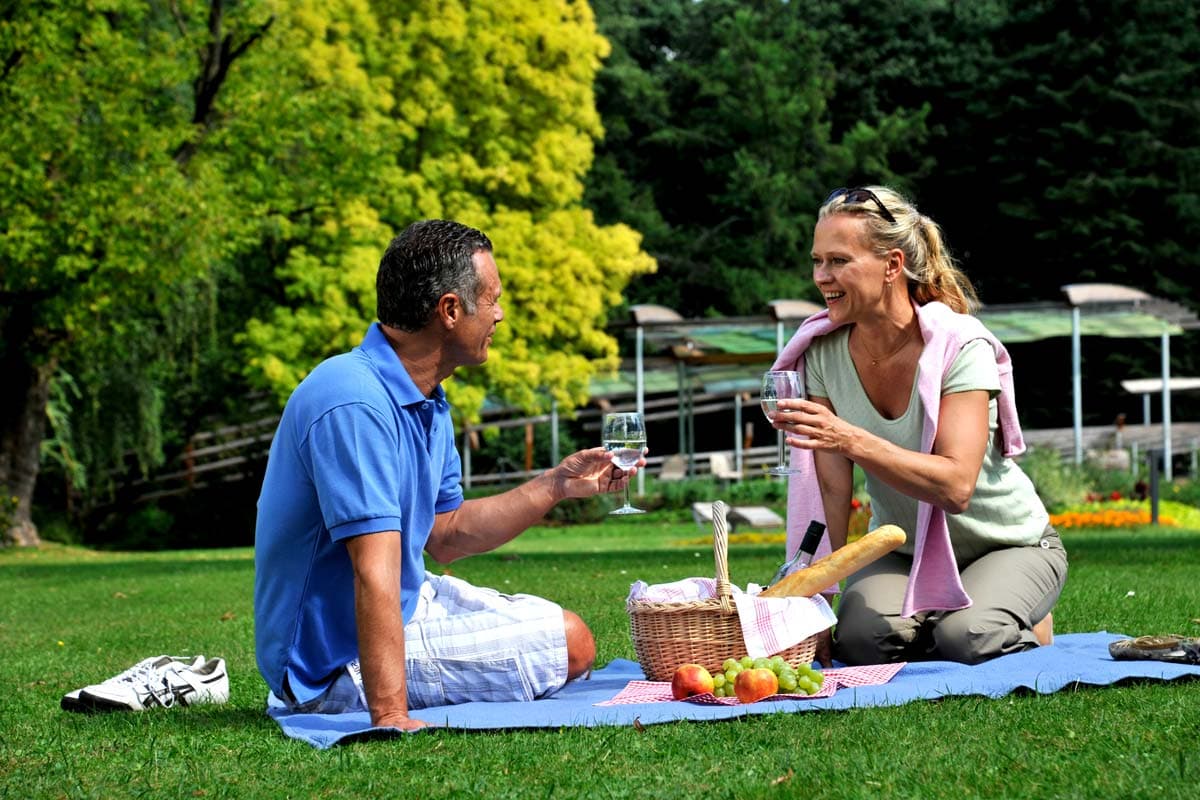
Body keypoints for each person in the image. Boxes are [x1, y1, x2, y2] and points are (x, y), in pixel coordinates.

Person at [254, 219, 643, 731]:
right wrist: (391, 716)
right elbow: (374, 570)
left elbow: (447, 533)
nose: (500, 314)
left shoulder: (426, 399)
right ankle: (371, 699)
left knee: (562, 630)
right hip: (328, 665)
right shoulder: (354, 401)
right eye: (492, 299)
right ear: (451, 310)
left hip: (407, 601)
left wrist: (555, 485)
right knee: (571, 642)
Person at [770, 186, 1067, 666]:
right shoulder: (821, 352)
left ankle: (1008, 618)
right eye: (818, 261)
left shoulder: (960, 347)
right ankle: (944, 615)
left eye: (839, 261)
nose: (822, 276)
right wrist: (812, 599)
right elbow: (829, 489)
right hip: (904, 550)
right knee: (861, 642)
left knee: (967, 638)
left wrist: (850, 438)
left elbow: (956, 486)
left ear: (892, 265)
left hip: (1007, 545)